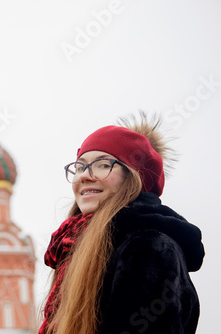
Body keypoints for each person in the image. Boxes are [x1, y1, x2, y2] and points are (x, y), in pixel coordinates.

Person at [39, 114, 204, 334]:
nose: (84, 176)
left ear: (133, 179)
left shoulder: (148, 246)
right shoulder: (73, 247)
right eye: (79, 167)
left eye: (102, 165)